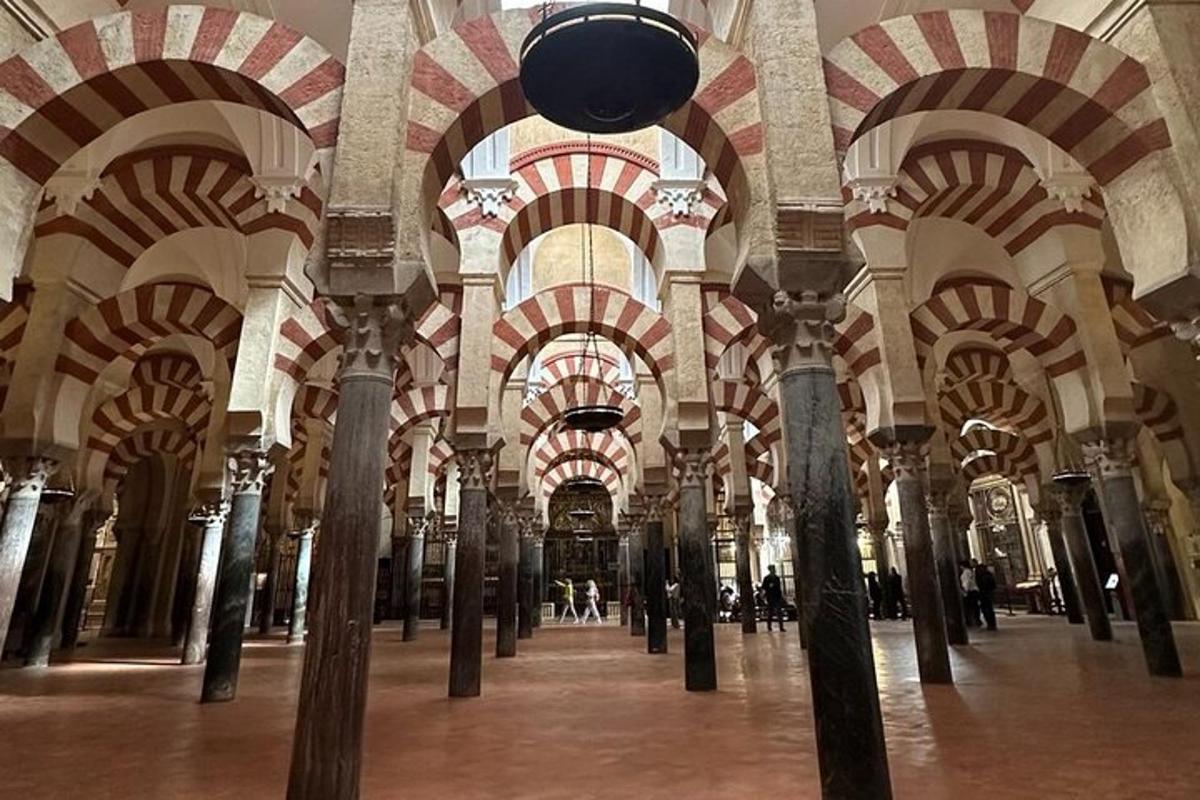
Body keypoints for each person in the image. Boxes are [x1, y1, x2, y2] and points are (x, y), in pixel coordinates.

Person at [762, 565, 785, 631]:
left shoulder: (777, 578)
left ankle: (781, 627)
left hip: (777, 597)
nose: (774, 570)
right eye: (772, 569)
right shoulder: (766, 578)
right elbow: (764, 587)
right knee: (770, 612)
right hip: (770, 597)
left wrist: (780, 596)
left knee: (779, 612)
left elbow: (779, 588)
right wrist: (769, 587)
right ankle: (769, 626)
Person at [976, 562, 998, 630]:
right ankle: (992, 624)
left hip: (983, 594)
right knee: (990, 609)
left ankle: (990, 624)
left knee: (986, 609)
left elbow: (980, 585)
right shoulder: (989, 575)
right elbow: (994, 585)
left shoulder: (981, 576)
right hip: (989, 593)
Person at [960, 559, 981, 627]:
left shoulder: (966, 572)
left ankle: (974, 620)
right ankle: (976, 620)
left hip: (970, 591)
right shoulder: (970, 571)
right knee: (975, 606)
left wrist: (965, 590)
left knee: (971, 606)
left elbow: (967, 582)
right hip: (974, 590)